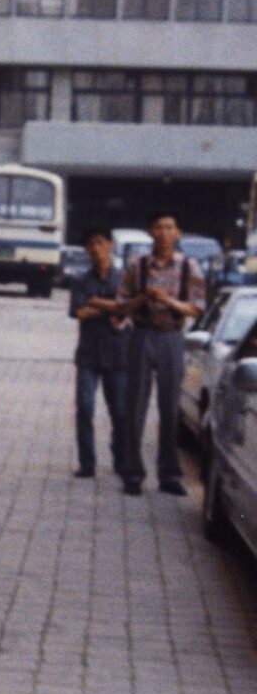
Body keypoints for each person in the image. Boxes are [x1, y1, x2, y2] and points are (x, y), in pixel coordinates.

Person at [117, 209, 205, 495]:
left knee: (170, 409)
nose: (164, 233)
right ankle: (132, 474)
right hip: (141, 335)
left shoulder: (189, 266)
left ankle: (169, 476)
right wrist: (142, 298)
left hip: (172, 337)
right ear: (150, 231)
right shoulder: (137, 266)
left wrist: (169, 302)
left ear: (178, 233)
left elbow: (197, 307)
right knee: (135, 406)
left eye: (169, 227)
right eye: (158, 227)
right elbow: (121, 306)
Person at [68, 222, 129, 480]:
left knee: (120, 412)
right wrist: (111, 306)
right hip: (88, 356)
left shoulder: (125, 279)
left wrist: (96, 303)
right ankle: (87, 463)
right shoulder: (81, 280)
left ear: (110, 245)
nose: (96, 248)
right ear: (85, 249)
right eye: (91, 244)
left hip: (119, 355)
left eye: (100, 242)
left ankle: (121, 459)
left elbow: (129, 309)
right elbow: (78, 312)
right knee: (84, 408)